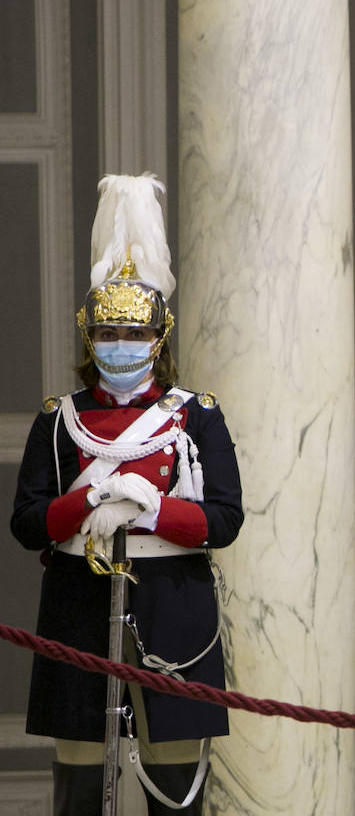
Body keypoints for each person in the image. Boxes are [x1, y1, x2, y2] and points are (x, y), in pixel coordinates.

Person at [11, 174, 243, 815]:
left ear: (158, 340)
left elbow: (222, 519)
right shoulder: (59, 417)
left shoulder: (197, 416)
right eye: (110, 334)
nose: (122, 347)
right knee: (81, 784)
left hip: (173, 609)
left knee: (175, 789)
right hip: (78, 608)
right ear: (91, 337)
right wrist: (90, 500)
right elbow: (29, 523)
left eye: (135, 336)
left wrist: (148, 500)